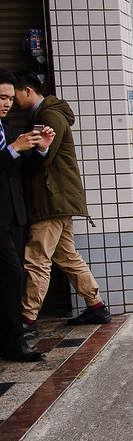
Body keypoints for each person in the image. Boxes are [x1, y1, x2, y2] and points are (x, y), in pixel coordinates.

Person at [12, 73, 111, 332]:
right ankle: (96, 306)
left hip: (51, 200)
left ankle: (27, 318)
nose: (11, 101)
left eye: (14, 95)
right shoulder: (44, 114)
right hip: (57, 198)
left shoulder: (48, 116)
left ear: (27, 90)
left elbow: (42, 158)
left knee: (36, 258)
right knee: (66, 256)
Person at [0, 70, 53, 361]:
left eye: (9, 97)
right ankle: (13, 341)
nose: (7, 103)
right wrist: (12, 150)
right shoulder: (10, 139)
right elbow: (6, 160)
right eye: (1, 97)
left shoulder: (9, 131)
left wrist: (40, 151)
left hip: (13, 216)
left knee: (11, 277)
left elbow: (21, 174)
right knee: (13, 275)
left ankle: (9, 337)